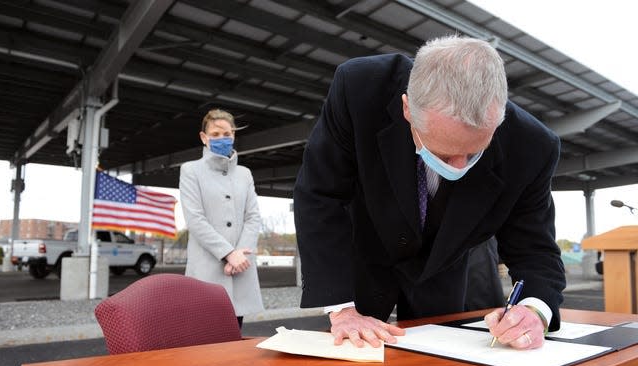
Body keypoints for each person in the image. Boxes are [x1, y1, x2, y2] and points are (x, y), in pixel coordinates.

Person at [293, 35, 565, 350]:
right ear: (407, 108)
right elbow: (320, 194)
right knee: (351, 353)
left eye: (476, 151)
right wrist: (341, 308)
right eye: (446, 154)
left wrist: (534, 310)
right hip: (364, 252)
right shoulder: (360, 87)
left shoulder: (532, 146)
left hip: (442, 267)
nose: (460, 167)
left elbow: (535, 249)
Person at [180, 108, 263, 327]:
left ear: (234, 136)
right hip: (207, 270)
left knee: (235, 341)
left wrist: (239, 257)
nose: (222, 139)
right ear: (204, 137)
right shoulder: (191, 171)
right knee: (204, 345)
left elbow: (253, 217)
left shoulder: (244, 174)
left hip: (239, 269)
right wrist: (228, 254)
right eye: (215, 134)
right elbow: (195, 219)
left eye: (227, 134)